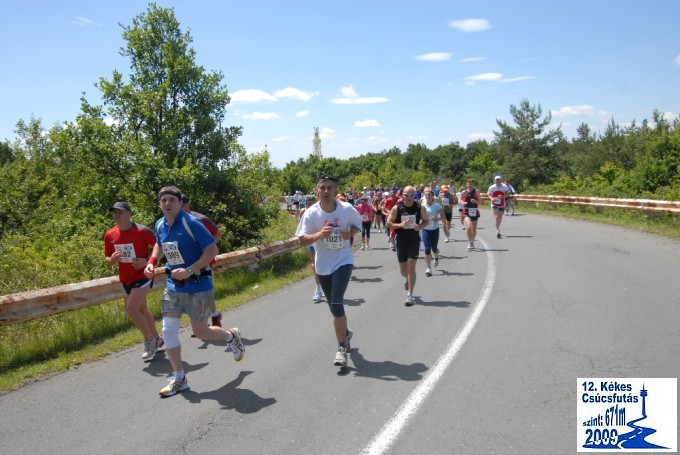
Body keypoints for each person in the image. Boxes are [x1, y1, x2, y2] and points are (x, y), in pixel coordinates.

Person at [144, 186, 244, 397]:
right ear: (159, 204)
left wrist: (190, 270)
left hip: (198, 286)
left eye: (172, 200)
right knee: (168, 331)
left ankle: (230, 336)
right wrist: (152, 261)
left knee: (200, 332)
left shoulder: (192, 223)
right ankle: (179, 378)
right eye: (163, 200)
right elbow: (159, 244)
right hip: (173, 286)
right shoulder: (160, 224)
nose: (167, 203)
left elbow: (213, 250)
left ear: (180, 203)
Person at [297, 174, 362, 367]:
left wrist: (349, 233)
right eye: (322, 188)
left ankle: (341, 349)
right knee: (334, 308)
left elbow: (357, 225)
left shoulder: (346, 209)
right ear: (317, 190)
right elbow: (301, 239)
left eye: (329, 188)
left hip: (343, 260)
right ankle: (346, 333)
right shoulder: (311, 213)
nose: (326, 191)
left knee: (336, 302)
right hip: (323, 265)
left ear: (335, 190)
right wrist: (319, 234)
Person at [104, 202, 164, 362]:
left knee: (132, 309)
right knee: (142, 309)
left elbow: (160, 246)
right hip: (126, 278)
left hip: (143, 275)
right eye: (114, 212)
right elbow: (107, 258)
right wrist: (112, 260)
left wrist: (147, 261)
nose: (117, 215)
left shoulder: (142, 231)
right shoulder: (110, 235)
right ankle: (157, 339)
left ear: (130, 214)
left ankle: (149, 341)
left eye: (120, 212)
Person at [181, 194, 223, 332]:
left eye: (181, 204)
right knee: (193, 294)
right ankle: (203, 323)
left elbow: (218, 234)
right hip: (187, 262)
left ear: (187, 204)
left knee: (203, 293)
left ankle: (212, 317)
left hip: (204, 261)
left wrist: (205, 247)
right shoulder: (176, 221)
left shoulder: (201, 219)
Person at [386, 185, 428, 306]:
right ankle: (407, 278)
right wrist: (401, 225)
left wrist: (420, 226)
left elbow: (426, 221)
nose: (409, 197)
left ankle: (410, 295)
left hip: (414, 240)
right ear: (402, 195)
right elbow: (389, 223)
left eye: (412, 195)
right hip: (401, 241)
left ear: (415, 195)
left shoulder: (420, 207)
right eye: (406, 195)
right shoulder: (397, 208)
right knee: (404, 270)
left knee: (411, 266)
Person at [296, 195, 326, 303]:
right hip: (310, 241)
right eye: (307, 203)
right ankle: (318, 289)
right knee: (314, 265)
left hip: (321, 241)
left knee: (324, 264)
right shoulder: (303, 212)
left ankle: (325, 285)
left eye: (311, 203)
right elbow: (300, 226)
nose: (309, 205)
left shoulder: (321, 211)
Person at [420, 188, 445, 277]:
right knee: (427, 248)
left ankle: (436, 257)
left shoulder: (436, 205)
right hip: (425, 229)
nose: (427, 196)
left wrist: (436, 219)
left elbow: (443, 217)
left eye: (429, 195)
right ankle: (428, 268)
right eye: (426, 195)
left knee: (434, 248)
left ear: (432, 196)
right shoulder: (422, 205)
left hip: (434, 229)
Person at [461, 179, 482, 251]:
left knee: (474, 229)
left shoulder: (476, 191)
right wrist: (462, 203)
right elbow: (459, 199)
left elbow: (480, 202)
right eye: (468, 183)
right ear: (466, 184)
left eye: (471, 183)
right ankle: (470, 242)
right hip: (466, 211)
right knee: (469, 226)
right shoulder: (464, 192)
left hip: (474, 210)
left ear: (473, 184)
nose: (470, 185)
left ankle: (472, 241)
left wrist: (475, 201)